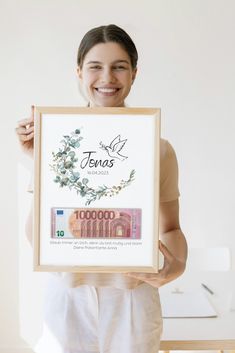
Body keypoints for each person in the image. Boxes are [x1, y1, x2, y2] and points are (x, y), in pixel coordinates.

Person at [16, 24, 187, 353]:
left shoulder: (159, 147)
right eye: (95, 66)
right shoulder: (57, 140)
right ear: (79, 72)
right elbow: (36, 236)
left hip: (133, 297)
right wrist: (41, 163)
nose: (107, 78)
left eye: (119, 66)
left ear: (134, 74)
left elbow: (171, 228)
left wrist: (177, 265)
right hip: (68, 295)